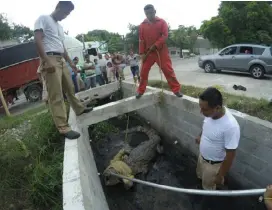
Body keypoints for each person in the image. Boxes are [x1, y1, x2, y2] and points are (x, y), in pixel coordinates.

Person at [34, 1, 92, 140]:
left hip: (61, 58)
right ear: (58, 7)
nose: (66, 16)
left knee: (70, 88)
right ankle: (63, 127)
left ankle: (79, 109)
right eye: (65, 12)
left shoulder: (59, 26)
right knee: (56, 94)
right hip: (50, 58)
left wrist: (71, 63)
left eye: (68, 14)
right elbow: (37, 40)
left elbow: (62, 46)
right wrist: (46, 61)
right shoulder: (43, 18)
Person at [195, 87, 240, 190]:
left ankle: (207, 201)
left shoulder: (230, 126)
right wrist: (200, 135)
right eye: (200, 107)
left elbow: (231, 155)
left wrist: (220, 175)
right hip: (202, 158)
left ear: (217, 108)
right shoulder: (210, 113)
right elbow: (206, 125)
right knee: (200, 177)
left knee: (208, 188)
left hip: (212, 166)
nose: (201, 112)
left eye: (204, 109)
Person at [137, 4, 182, 99]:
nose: (149, 15)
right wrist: (142, 53)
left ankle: (176, 90)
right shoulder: (142, 25)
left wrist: (156, 45)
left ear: (155, 11)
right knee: (143, 72)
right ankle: (140, 91)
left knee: (168, 70)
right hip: (148, 52)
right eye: (147, 13)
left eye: (150, 13)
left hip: (161, 51)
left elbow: (165, 35)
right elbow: (141, 40)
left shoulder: (162, 22)